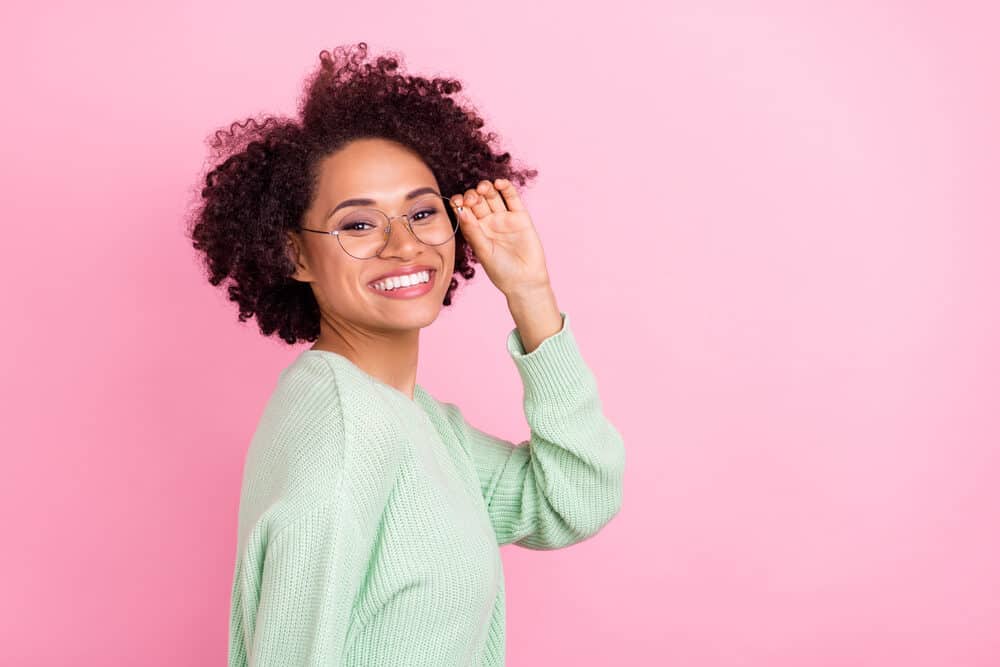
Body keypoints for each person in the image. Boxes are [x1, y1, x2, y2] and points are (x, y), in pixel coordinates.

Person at [185, 41, 625, 667]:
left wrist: (530, 294)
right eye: (359, 225)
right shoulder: (345, 429)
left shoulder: (416, 421)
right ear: (297, 256)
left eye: (422, 212)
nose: (405, 245)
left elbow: (572, 501)